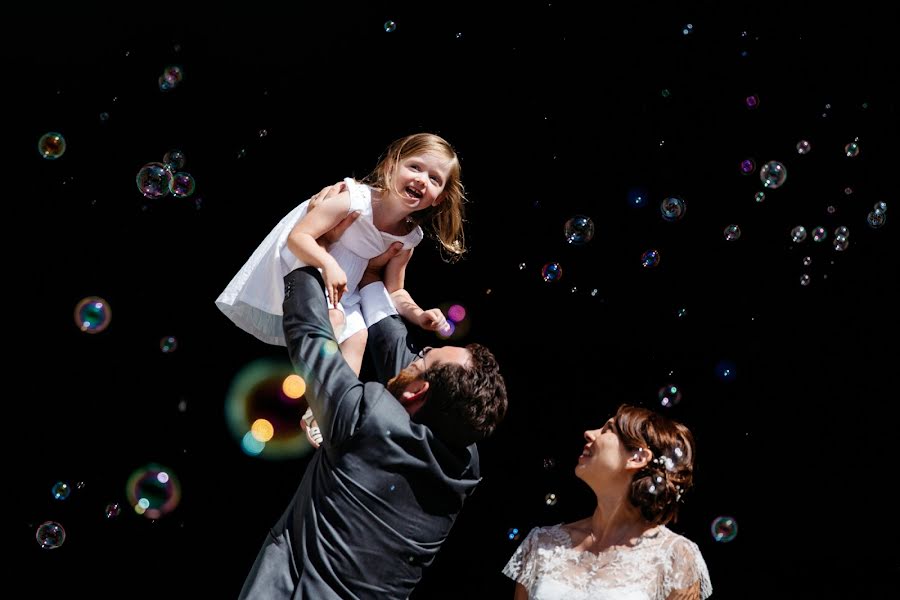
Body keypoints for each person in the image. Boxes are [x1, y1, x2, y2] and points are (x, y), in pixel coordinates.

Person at [237, 230, 509, 598]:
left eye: (425, 355)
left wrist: (308, 248)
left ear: (419, 391)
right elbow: (400, 360)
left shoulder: (368, 420)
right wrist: (371, 282)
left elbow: (308, 335)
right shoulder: (464, 460)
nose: (419, 351)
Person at [216, 132, 466, 444]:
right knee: (334, 323)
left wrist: (419, 316)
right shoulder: (354, 200)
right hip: (307, 264)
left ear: (439, 197)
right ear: (391, 166)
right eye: (414, 167)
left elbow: (395, 290)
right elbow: (300, 236)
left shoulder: (408, 238)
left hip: (344, 289)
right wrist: (327, 264)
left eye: (434, 178)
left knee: (358, 335)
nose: (422, 180)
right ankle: (322, 396)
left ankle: (323, 407)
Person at [503, 404, 712, 600]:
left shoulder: (675, 556)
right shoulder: (542, 543)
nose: (589, 433)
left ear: (637, 458)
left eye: (608, 429)